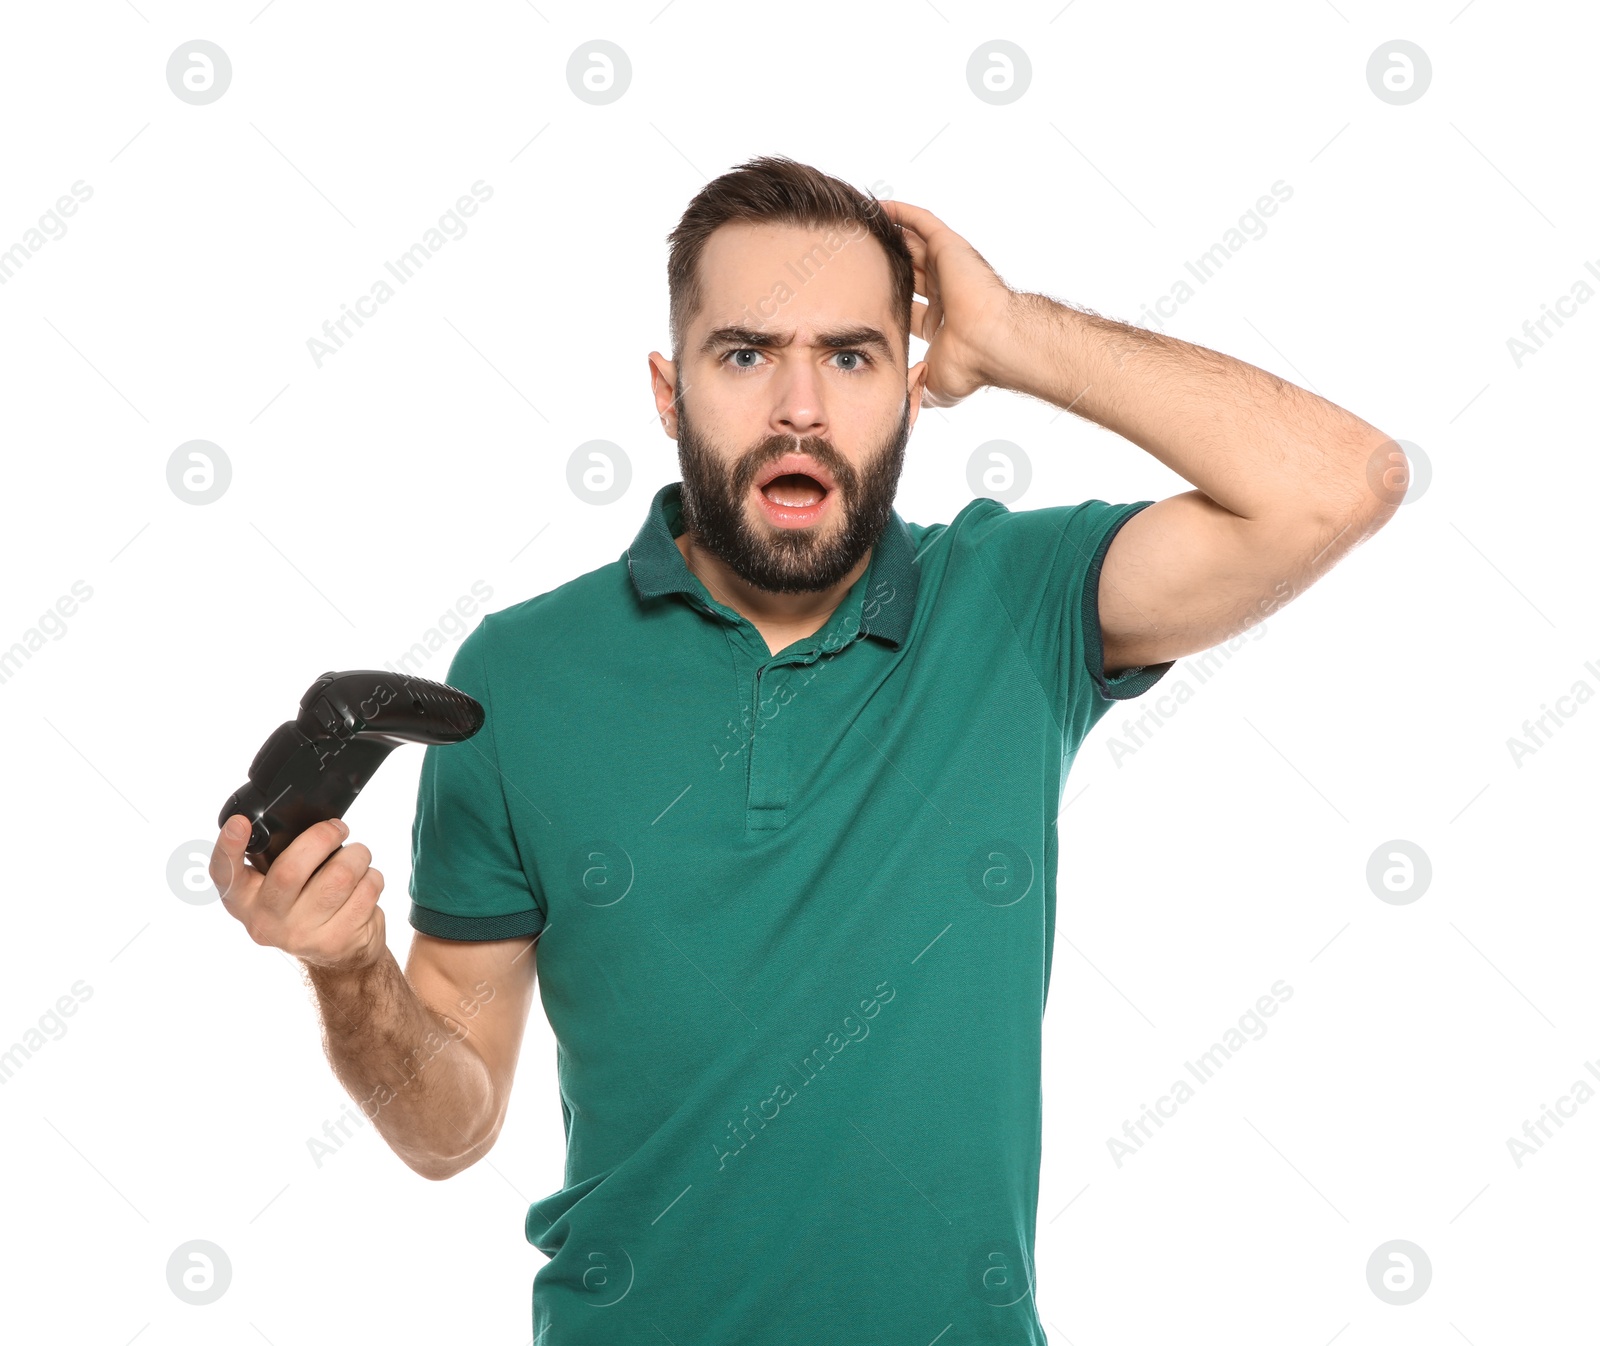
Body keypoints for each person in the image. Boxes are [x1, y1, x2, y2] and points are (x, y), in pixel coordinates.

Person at [212, 155, 1402, 1343]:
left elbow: (1340, 484)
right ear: (668, 393)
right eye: (745, 354)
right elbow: (449, 1127)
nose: (800, 407)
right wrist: (348, 963)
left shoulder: (1014, 600)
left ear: (908, 386)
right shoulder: (516, 678)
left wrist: (1018, 333)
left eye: (849, 355)